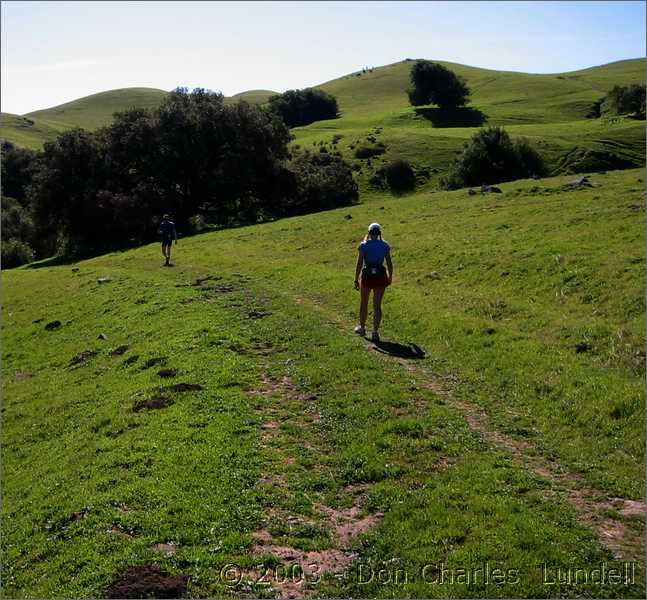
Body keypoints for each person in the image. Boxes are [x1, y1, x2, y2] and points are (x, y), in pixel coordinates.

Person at [354, 222, 393, 342]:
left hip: (367, 277)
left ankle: (362, 327)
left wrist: (356, 279)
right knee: (377, 306)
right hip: (381, 277)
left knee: (364, 303)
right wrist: (390, 277)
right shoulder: (385, 245)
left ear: (369, 233)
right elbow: (389, 263)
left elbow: (359, 264)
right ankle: (375, 332)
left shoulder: (363, 245)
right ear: (379, 233)